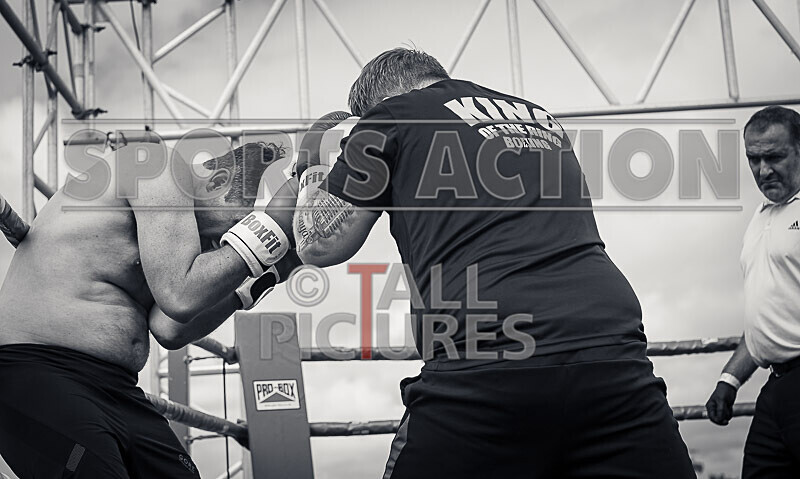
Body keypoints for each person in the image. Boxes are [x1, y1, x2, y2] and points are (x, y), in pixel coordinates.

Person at [293, 48, 696, 478]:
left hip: (487, 358)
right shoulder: (539, 118)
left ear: (378, 103)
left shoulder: (391, 114)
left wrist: (313, 166)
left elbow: (318, 242)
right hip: (612, 349)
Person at [0, 140, 301, 478]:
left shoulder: (176, 234)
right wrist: (269, 231)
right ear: (217, 181)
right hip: (38, 374)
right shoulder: (155, 165)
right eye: (235, 226)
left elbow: (171, 328)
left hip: (116, 388)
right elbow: (180, 295)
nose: (225, 243)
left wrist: (266, 272)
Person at [706, 105, 800, 478]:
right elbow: (771, 314)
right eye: (754, 159)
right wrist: (729, 380)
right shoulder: (760, 218)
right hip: (775, 387)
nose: (763, 170)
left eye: (774, 156)